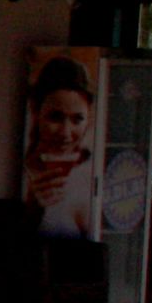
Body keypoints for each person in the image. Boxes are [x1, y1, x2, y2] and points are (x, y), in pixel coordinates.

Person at [22, 55, 100, 241]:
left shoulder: (90, 177)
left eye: (77, 119)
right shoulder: (17, 173)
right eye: (55, 117)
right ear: (34, 110)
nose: (65, 133)